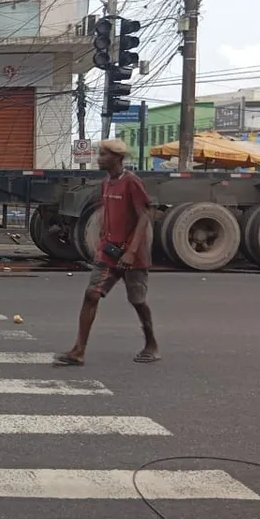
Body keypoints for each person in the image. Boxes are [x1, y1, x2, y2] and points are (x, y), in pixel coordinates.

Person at [55, 139, 158, 366]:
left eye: (103, 154)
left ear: (117, 158)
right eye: (99, 154)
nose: (99, 158)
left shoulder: (131, 182)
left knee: (138, 300)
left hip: (133, 254)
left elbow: (144, 216)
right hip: (109, 252)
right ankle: (78, 351)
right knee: (91, 294)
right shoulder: (106, 183)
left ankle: (151, 344)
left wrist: (130, 251)